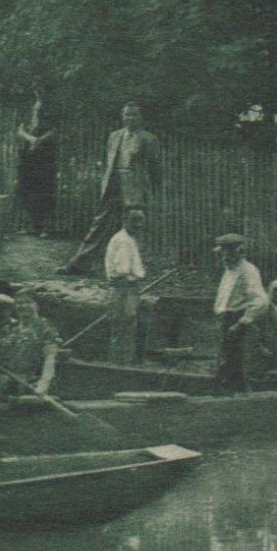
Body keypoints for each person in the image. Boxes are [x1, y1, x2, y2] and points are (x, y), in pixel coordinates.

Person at [60, 103, 162, 274]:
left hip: (134, 187)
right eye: (127, 115)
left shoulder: (148, 139)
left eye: (134, 115)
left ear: (141, 117)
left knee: (134, 227)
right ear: (122, 116)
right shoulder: (114, 136)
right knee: (99, 225)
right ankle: (78, 265)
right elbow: (110, 162)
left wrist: (149, 191)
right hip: (113, 185)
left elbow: (154, 168)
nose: (130, 118)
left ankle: (135, 268)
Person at [212, 233, 268, 393]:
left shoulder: (248, 271)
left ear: (239, 251)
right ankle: (226, 395)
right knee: (225, 362)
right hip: (225, 320)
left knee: (237, 364)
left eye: (228, 251)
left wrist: (242, 322)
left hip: (237, 320)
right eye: (222, 251)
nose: (224, 256)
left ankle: (242, 397)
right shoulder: (229, 270)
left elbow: (260, 300)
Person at [104, 206, 148, 364]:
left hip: (128, 289)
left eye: (141, 220)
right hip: (123, 290)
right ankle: (119, 367)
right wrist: (129, 295)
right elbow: (123, 272)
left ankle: (125, 364)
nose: (138, 224)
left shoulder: (129, 239)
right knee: (123, 330)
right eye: (134, 220)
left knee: (127, 330)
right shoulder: (122, 241)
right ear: (125, 220)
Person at [15, 93, 59, 235]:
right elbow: (20, 130)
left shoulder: (51, 106)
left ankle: (45, 226)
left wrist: (39, 141)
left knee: (44, 187)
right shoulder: (27, 106)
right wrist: (31, 139)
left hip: (45, 153)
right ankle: (30, 225)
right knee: (26, 186)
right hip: (27, 152)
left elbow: (54, 130)